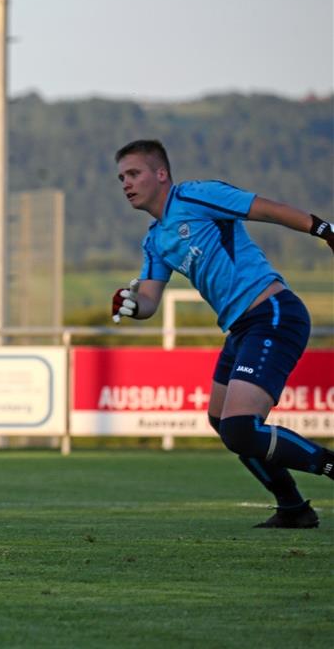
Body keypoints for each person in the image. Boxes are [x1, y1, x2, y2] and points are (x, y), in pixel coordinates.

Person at [112, 139, 334, 528]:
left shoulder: (197, 195)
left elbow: (267, 209)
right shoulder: (154, 240)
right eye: (121, 178)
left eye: (134, 173)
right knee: (222, 421)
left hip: (273, 313)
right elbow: (149, 299)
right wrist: (130, 304)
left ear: (161, 174)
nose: (126, 183)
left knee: (240, 427)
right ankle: (293, 508)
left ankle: (328, 466)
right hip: (241, 328)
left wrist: (323, 229)